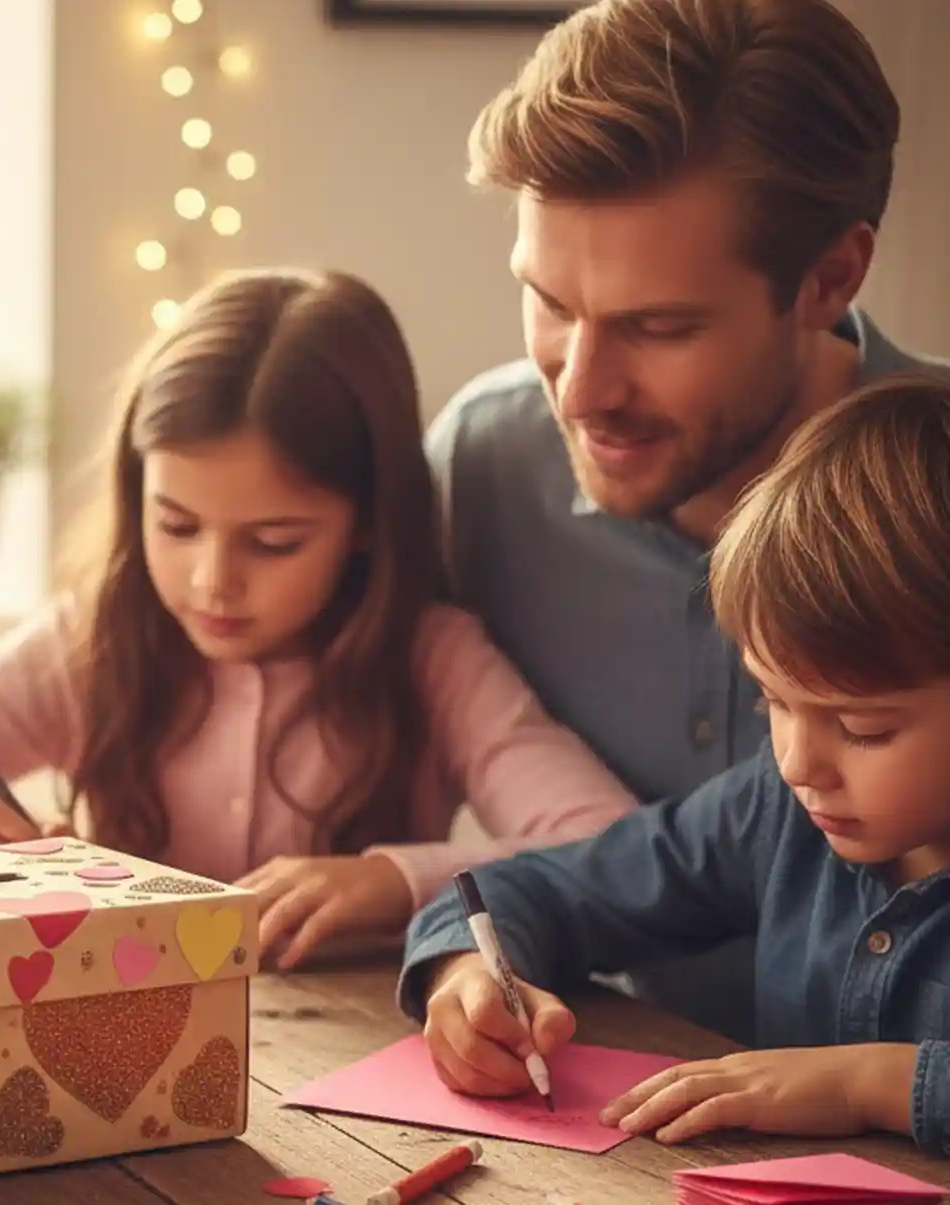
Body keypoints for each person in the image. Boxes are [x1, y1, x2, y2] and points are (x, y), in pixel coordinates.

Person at [0, 267, 638, 969]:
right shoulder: (96, 635)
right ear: (135, 495)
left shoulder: (431, 656)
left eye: (273, 541)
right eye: (175, 525)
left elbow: (611, 849)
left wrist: (395, 880)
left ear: (368, 524)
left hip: (347, 1067)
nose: (210, 581)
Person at [424, 0, 950, 1039]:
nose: (577, 390)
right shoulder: (482, 462)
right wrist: (451, 958)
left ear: (827, 278)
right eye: (550, 303)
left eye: (656, 326)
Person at [401, 373, 950, 1157]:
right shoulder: (775, 809)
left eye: (862, 728)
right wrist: (464, 973)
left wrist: (868, 1082)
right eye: (774, 703)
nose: (799, 763)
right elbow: (544, 886)